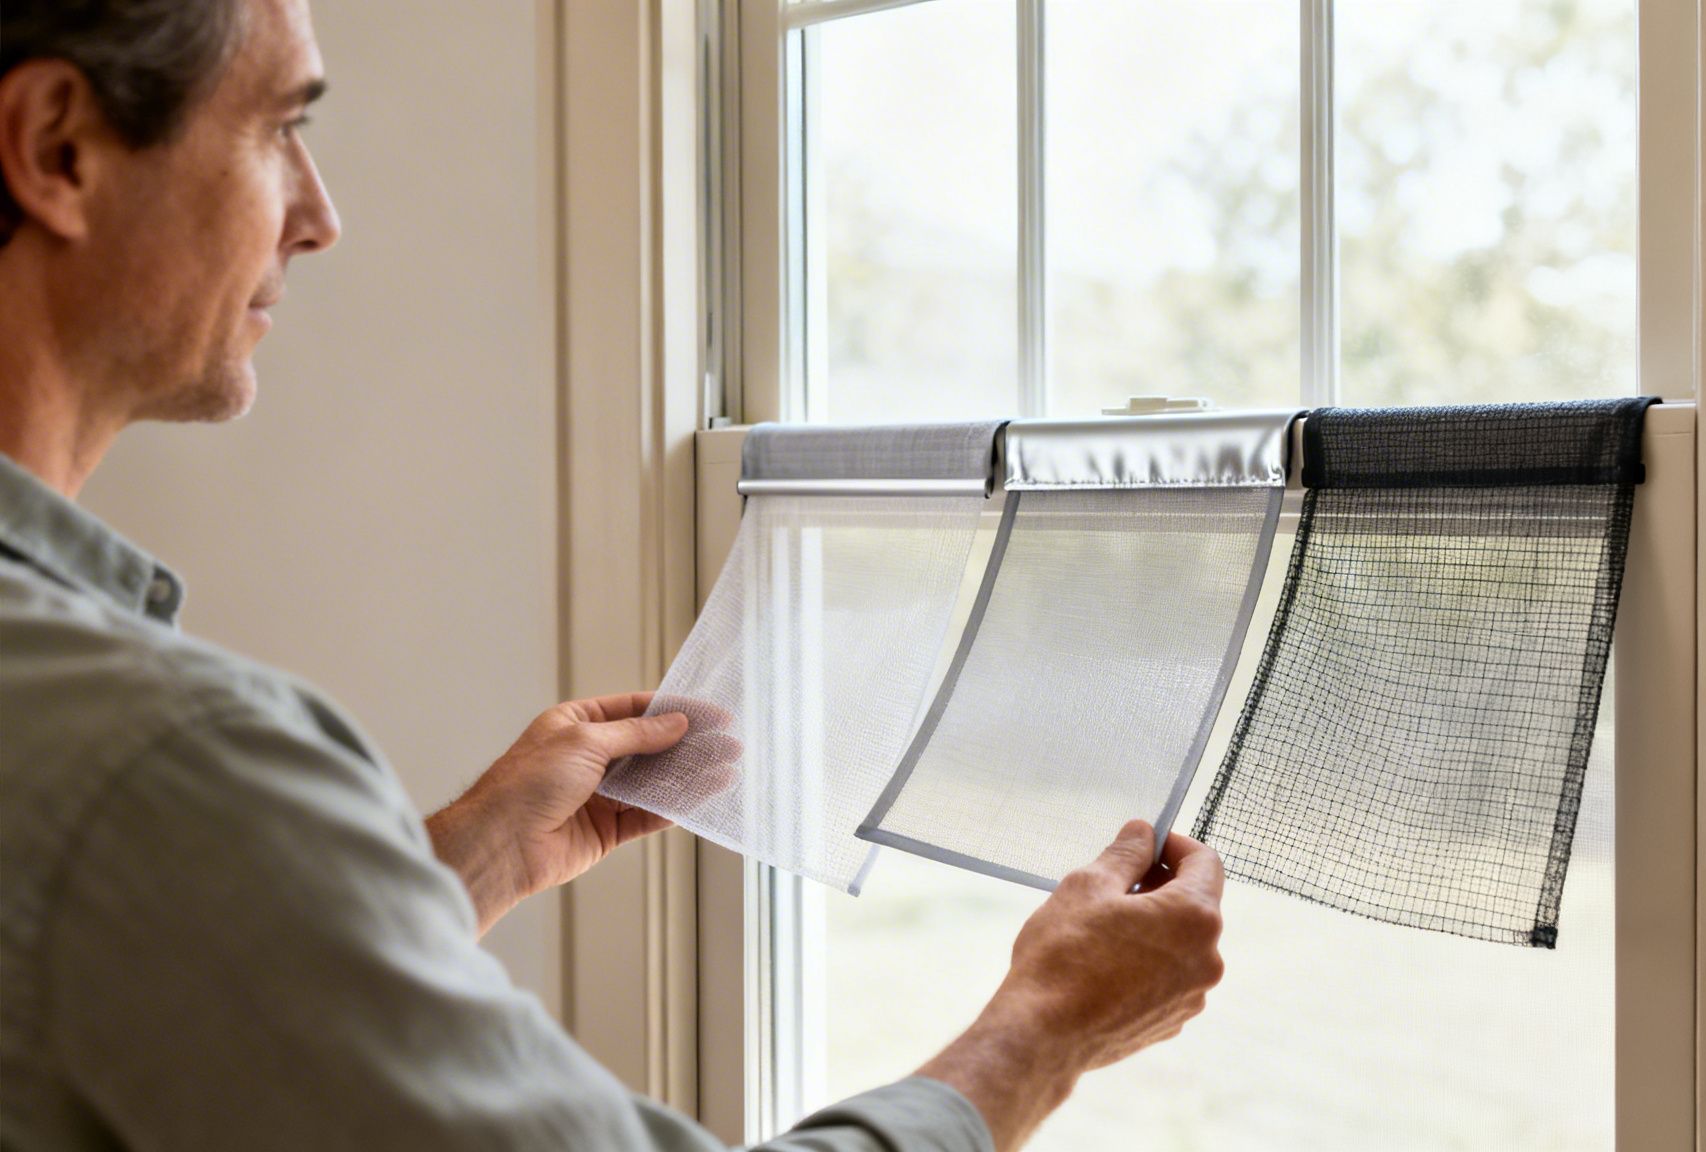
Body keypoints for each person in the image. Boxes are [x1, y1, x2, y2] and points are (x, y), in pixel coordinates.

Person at [0, 2, 1227, 1149]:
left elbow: (159, 973)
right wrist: (1042, 1033)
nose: (318, 215)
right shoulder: (152, 763)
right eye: (279, 128)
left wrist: (474, 858)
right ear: (57, 150)